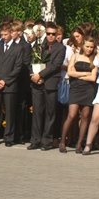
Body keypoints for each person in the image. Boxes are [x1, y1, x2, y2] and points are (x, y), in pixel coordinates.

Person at [0, 22, 24, 146]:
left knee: (10, 112)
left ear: (11, 33)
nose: (3, 37)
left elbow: (17, 67)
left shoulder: (18, 48)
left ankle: (9, 137)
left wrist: (5, 81)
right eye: (2, 34)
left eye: (6, 34)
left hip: (9, 85)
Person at [30, 22, 66, 151]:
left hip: (50, 83)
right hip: (36, 83)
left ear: (57, 35)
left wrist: (40, 75)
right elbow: (30, 60)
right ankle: (35, 140)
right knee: (37, 112)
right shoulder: (39, 45)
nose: (51, 36)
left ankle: (46, 140)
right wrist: (33, 75)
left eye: (53, 34)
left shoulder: (61, 48)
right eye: (48, 33)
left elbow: (55, 65)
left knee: (50, 113)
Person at [61, 36, 98, 153]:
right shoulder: (75, 56)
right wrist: (85, 74)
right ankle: (63, 141)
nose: (89, 49)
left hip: (88, 89)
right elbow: (70, 72)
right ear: (83, 45)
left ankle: (79, 143)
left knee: (85, 116)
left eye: (91, 47)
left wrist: (78, 74)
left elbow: (93, 78)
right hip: (75, 88)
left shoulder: (95, 59)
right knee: (71, 115)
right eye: (87, 46)